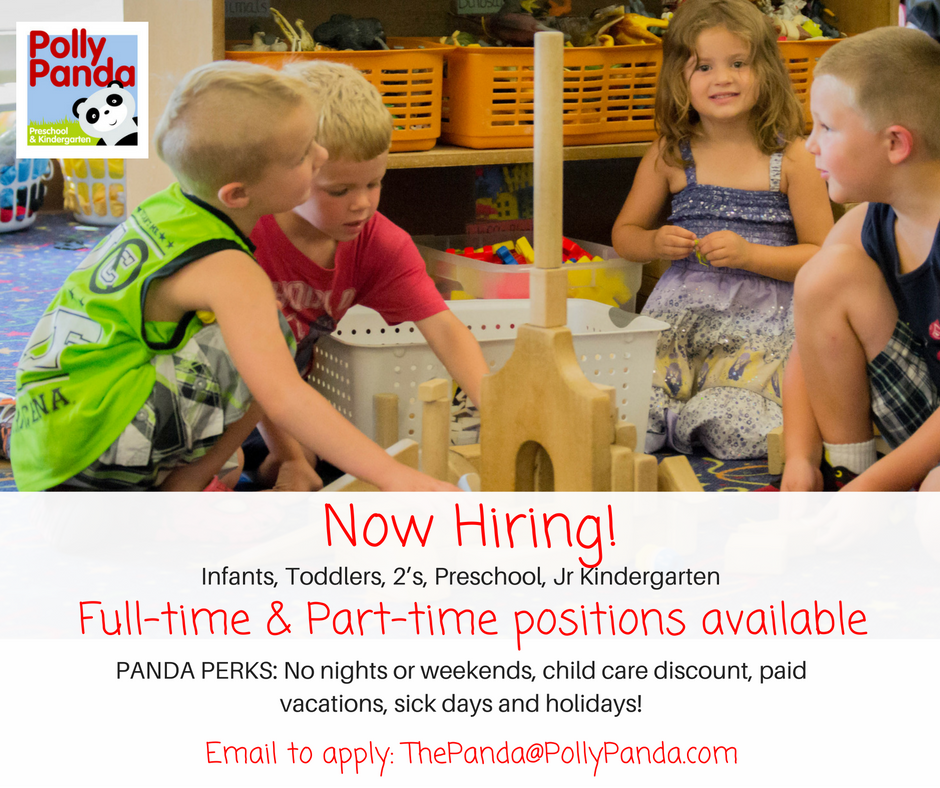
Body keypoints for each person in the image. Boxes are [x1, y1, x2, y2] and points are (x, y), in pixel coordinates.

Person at [10, 60, 457, 493]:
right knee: (272, 343)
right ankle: (177, 490)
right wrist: (394, 475)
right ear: (238, 194)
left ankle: (169, 482)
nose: (321, 154)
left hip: (51, 434)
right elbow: (282, 395)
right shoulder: (233, 271)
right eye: (304, 154)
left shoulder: (168, 207)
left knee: (239, 431)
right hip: (93, 453)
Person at [246, 60, 489, 489]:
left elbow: (446, 330)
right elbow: (248, 371)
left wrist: (497, 407)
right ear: (286, 171)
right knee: (285, 461)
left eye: (374, 183)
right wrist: (288, 458)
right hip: (224, 393)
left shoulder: (379, 242)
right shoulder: (246, 239)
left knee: (314, 457)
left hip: (284, 396)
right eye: (339, 191)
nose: (362, 204)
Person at [611, 0, 832, 459]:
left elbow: (823, 256)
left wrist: (752, 256)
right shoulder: (670, 153)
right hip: (680, 325)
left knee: (731, 427)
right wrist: (654, 242)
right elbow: (625, 234)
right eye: (704, 66)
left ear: (766, 71)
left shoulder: (792, 158)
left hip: (762, 328)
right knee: (630, 413)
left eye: (738, 63)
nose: (723, 78)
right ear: (678, 79)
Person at [781, 26, 940, 492]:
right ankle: (847, 472)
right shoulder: (867, 223)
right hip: (925, 416)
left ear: (895, 144)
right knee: (823, 277)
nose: (810, 144)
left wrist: (871, 496)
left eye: (826, 127)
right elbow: (807, 345)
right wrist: (800, 459)